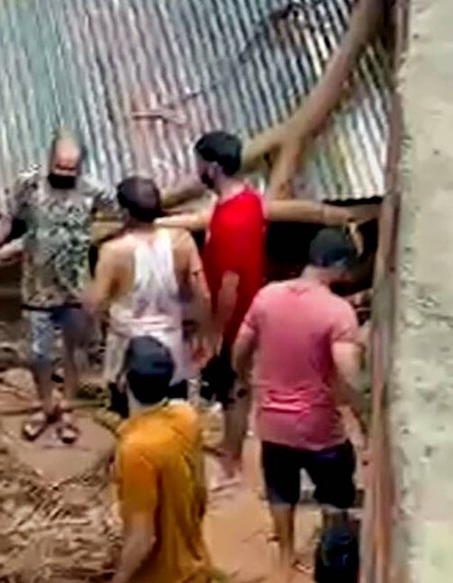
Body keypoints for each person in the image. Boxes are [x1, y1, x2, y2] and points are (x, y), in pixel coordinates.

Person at [231, 227, 367, 579]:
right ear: (336, 265)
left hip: (272, 423)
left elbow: (240, 349)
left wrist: (246, 378)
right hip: (320, 427)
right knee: (336, 495)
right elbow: (348, 373)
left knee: (280, 489)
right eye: (347, 268)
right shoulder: (338, 312)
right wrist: (364, 409)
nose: (348, 276)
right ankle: (330, 552)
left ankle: (286, 558)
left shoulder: (266, 296)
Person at [0, 131, 117, 443]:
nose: (64, 174)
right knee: (38, 354)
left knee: (74, 353)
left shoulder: (95, 191)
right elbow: (5, 222)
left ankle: (68, 408)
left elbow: (122, 222)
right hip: (37, 287)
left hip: (76, 289)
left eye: (70, 169)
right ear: (49, 160)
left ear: (81, 167)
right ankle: (46, 405)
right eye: (59, 167)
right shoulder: (29, 184)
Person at [160, 131, 267, 485]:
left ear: (214, 167)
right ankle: (229, 448)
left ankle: (231, 461)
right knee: (234, 385)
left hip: (234, 319)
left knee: (233, 387)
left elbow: (230, 286)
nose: (197, 170)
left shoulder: (233, 219)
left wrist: (217, 333)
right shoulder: (248, 200)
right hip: (242, 311)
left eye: (200, 164)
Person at [87, 177, 211, 417]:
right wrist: (202, 333)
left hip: (130, 350)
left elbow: (95, 303)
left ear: (124, 211)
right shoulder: (182, 240)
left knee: (130, 420)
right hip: (173, 345)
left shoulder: (113, 251)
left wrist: (104, 322)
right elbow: (202, 293)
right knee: (175, 413)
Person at [112, 336, 211, 583]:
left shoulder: (136, 450)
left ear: (124, 381)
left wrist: (118, 578)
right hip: (195, 566)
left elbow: (143, 539)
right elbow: (200, 491)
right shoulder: (186, 416)